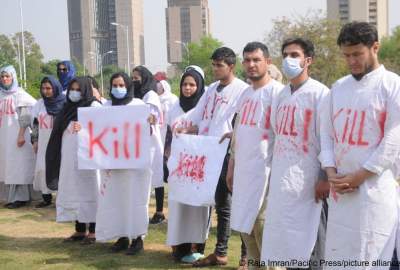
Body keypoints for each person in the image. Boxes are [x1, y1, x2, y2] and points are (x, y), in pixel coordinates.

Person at [320, 22, 400, 269]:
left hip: (373, 192)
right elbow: (326, 135)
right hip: (341, 194)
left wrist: (360, 175)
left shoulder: (392, 85)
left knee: (369, 260)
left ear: (375, 47)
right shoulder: (338, 88)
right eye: (347, 55)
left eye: (357, 54)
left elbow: (394, 138)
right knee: (338, 260)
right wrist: (331, 172)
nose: (351, 61)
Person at [260, 38, 329, 270]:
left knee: (311, 239)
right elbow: (275, 134)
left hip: (310, 181)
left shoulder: (321, 94)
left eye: (295, 55)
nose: (289, 60)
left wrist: (323, 177)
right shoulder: (281, 95)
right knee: (286, 240)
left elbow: (327, 141)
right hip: (283, 179)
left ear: (308, 60)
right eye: (286, 55)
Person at [177, 47, 248, 267]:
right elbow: (198, 114)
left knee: (239, 204)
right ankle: (221, 252)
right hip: (210, 152)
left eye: (220, 65)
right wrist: (184, 126)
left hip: (230, 152)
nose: (215, 69)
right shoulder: (211, 90)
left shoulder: (242, 90)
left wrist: (235, 134)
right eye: (214, 65)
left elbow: (244, 121)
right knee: (221, 204)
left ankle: (246, 255)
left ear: (231, 67)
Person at [223, 42, 284, 270]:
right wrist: (232, 165)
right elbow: (238, 132)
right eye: (247, 60)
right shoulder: (246, 94)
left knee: (265, 233)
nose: (251, 64)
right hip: (243, 175)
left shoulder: (278, 94)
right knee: (247, 234)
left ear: (267, 62)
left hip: (267, 176)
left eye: (256, 60)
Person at [95, 72, 152, 255]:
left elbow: (147, 131)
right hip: (113, 164)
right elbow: (95, 129)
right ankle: (121, 236)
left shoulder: (139, 106)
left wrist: (151, 122)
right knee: (116, 199)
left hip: (134, 165)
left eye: (121, 85)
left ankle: (137, 238)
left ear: (128, 87)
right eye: (114, 85)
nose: (118, 89)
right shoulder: (106, 106)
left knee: (135, 199)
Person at [46, 76, 101, 244]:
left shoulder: (94, 106)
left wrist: (85, 127)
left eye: (79, 90)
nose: (75, 93)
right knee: (75, 191)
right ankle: (79, 229)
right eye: (72, 89)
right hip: (70, 157)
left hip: (89, 159)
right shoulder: (66, 107)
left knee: (90, 190)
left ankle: (93, 230)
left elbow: (104, 128)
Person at [166, 67, 208, 264]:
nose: (188, 88)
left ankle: (196, 246)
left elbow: (208, 132)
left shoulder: (205, 108)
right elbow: (168, 133)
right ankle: (179, 246)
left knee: (196, 208)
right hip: (178, 167)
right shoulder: (174, 108)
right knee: (178, 207)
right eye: (185, 84)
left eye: (192, 84)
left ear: (199, 86)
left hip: (197, 169)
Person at [0, 65, 36, 209]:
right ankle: (8, 196)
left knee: (18, 165)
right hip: (4, 136)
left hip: (17, 136)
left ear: (13, 77)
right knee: (6, 165)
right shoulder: (1, 94)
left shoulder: (20, 94)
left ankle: (21, 198)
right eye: (2, 76)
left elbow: (26, 116)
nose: (4, 79)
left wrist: (21, 135)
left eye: (7, 76)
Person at [131, 66, 165, 222]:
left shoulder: (150, 95)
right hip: (138, 141)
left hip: (151, 142)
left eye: (137, 77)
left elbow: (150, 116)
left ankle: (159, 211)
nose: (134, 80)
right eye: (132, 78)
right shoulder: (135, 95)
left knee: (156, 174)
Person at [31, 76, 66, 208]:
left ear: (55, 88)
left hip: (60, 141)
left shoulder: (64, 102)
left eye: (49, 88)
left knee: (60, 168)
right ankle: (46, 198)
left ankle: (61, 198)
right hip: (44, 142)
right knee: (42, 168)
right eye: (43, 88)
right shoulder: (40, 103)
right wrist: (35, 140)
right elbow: (35, 123)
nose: (45, 91)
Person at [149, 79, 178, 224]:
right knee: (158, 176)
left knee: (169, 176)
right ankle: (159, 211)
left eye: (160, 87)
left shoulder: (173, 100)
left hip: (168, 141)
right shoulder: (153, 100)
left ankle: (171, 211)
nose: (158, 89)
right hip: (156, 140)